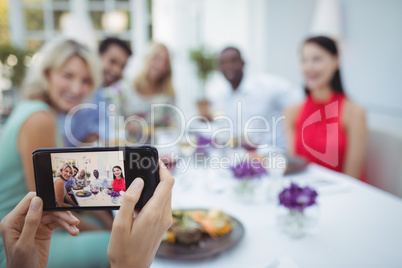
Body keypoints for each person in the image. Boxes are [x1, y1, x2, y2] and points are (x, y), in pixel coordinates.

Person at [0, 38, 111, 267]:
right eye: (67, 75)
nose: (77, 88)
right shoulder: (40, 119)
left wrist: (106, 218)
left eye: (86, 80)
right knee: (119, 246)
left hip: (29, 228)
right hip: (17, 242)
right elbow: (50, 206)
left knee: (108, 223)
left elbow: (65, 190)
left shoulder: (36, 109)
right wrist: (112, 229)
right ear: (47, 74)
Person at [0, 161, 175, 267]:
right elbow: (61, 201)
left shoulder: (69, 181)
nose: (71, 174)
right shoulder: (41, 117)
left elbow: (68, 199)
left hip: (32, 231)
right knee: (115, 238)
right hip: (28, 228)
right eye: (68, 171)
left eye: (72, 172)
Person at [285, 36, 367, 179]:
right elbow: (294, 169)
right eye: (304, 60)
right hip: (303, 194)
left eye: (316, 59)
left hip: (343, 195)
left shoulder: (354, 112)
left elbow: (352, 178)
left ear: (336, 61)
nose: (308, 67)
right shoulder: (292, 112)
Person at [211, 47, 303, 151]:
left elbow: (299, 100)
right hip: (244, 157)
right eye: (223, 63)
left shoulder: (266, 85)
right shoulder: (222, 95)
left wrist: (291, 130)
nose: (228, 66)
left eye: (233, 61)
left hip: (275, 154)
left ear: (243, 63)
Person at [60, 37, 132, 146]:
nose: (117, 70)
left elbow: (104, 131)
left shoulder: (100, 95)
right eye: (112, 61)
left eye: (122, 66)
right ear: (97, 56)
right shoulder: (75, 91)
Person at [120, 42, 176, 142]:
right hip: (126, 148)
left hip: (158, 150)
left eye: (165, 62)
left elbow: (173, 126)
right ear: (146, 58)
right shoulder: (124, 90)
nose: (160, 65)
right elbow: (113, 124)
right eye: (156, 58)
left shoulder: (167, 95)